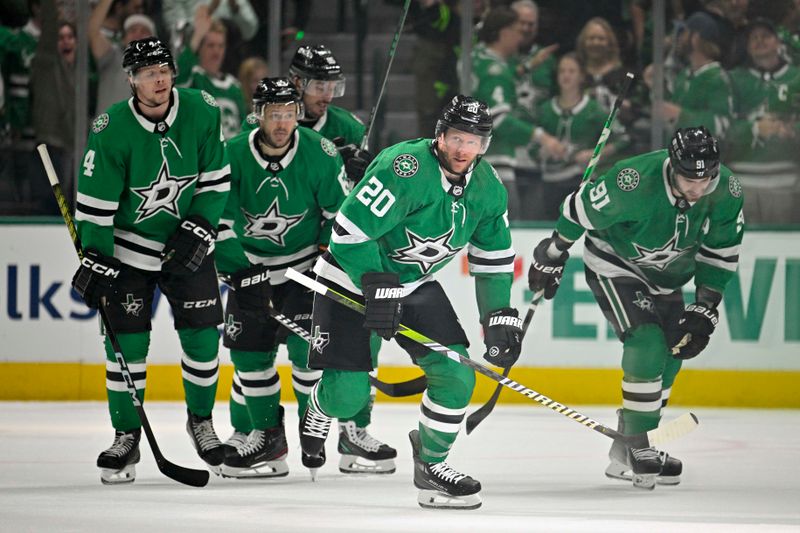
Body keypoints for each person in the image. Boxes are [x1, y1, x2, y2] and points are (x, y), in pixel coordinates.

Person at [300, 95, 522, 509]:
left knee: (456, 377)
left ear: (484, 146)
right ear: (441, 134)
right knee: (347, 398)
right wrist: (376, 283)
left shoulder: (488, 189)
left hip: (413, 284)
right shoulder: (405, 168)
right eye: (456, 138)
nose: (462, 149)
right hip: (350, 277)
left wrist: (498, 316)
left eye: (473, 142)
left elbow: (493, 257)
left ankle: (432, 466)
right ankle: (318, 405)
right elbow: (347, 232)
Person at [528, 126, 744, 490]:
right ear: (671, 165)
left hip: (671, 276)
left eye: (704, 179)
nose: (696, 189)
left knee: (674, 350)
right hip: (617, 265)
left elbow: (721, 251)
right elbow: (578, 210)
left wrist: (706, 305)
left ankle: (627, 447)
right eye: (688, 179)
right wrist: (553, 252)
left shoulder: (726, 189)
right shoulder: (632, 181)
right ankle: (640, 443)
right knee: (646, 343)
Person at [70, 37, 231, 484]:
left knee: (202, 341)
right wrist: (98, 259)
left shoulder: (201, 108)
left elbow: (216, 180)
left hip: (189, 246)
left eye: (163, 70)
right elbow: (95, 208)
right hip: (130, 251)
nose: (158, 80)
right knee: (126, 346)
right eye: (147, 73)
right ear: (131, 81)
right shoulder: (112, 129)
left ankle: (201, 421)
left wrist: (200, 224)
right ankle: (126, 436)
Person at [236, 46, 394, 475]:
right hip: (265, 257)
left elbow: (371, 196)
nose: (327, 94)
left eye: (332, 85)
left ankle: (352, 430)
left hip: (326, 256)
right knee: (252, 348)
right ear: (296, 84)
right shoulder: (261, 126)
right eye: (318, 84)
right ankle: (249, 430)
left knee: (349, 343)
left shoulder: (346, 128)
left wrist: (365, 172)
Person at [470, 7, 565, 220]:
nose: (521, 36)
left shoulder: (478, 56)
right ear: (504, 33)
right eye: (517, 31)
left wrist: (527, 67)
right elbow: (499, 119)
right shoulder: (494, 70)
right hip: (496, 157)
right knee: (509, 225)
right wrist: (543, 138)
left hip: (477, 154)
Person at [241, 45, 369, 183]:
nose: (328, 97)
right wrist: (327, 162)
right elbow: (256, 179)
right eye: (320, 87)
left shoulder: (351, 128)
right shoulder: (260, 121)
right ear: (297, 82)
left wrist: (366, 172)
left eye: (333, 88)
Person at [533, 52, 626, 220]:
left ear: (582, 76)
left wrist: (595, 154)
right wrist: (541, 152)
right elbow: (531, 144)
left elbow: (623, 139)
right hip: (547, 182)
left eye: (571, 71)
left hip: (579, 181)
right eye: (562, 71)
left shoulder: (593, 109)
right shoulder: (545, 109)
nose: (566, 75)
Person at [727, 17, 800, 223]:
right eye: (754, 38)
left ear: (778, 42)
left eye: (766, 36)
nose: (759, 41)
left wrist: (790, 129)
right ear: (748, 47)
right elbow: (720, 128)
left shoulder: (797, 77)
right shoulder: (732, 79)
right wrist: (755, 128)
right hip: (741, 185)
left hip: (786, 185)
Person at [175, 11, 247, 139]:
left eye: (221, 46)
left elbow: (243, 130)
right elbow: (177, 78)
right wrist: (197, 36)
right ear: (199, 48)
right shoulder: (194, 77)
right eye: (211, 45)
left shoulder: (234, 86)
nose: (216, 51)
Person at [89, 0, 156, 113]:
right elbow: (92, 30)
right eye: (132, 30)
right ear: (124, 39)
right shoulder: (112, 56)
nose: (138, 35)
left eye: (144, 31)